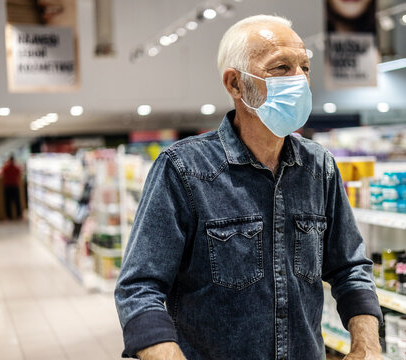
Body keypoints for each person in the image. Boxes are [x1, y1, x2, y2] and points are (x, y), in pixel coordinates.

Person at [115, 15, 383, 360]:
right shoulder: (183, 170)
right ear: (236, 84)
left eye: (304, 66)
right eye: (281, 68)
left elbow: (349, 268)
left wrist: (367, 345)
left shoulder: (319, 167)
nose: (299, 79)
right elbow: (139, 287)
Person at [1, 155, 22, 220]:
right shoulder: (16, 168)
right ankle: (19, 215)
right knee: (17, 202)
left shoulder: (5, 168)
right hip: (15, 186)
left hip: (8, 186)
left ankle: (8, 216)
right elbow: (20, 174)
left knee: (8, 202)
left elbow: (1, 174)